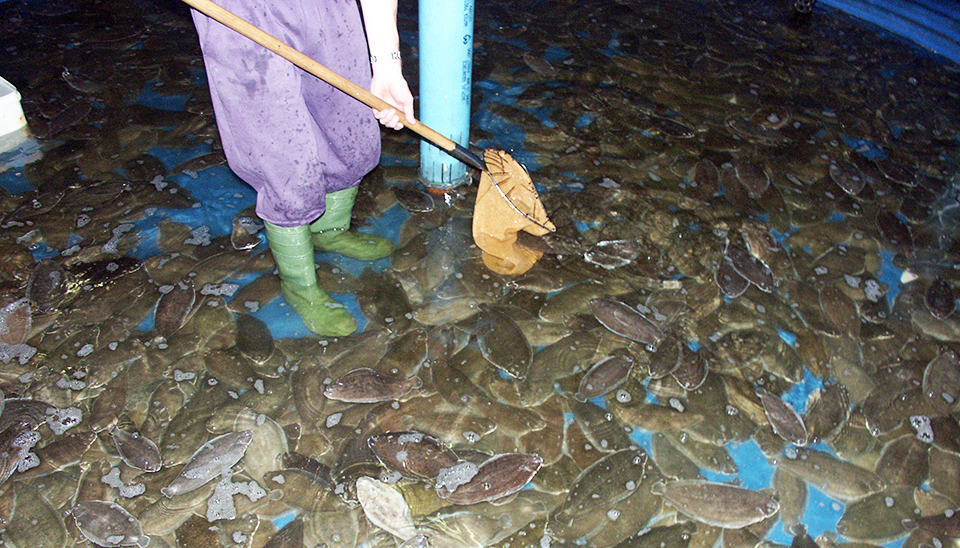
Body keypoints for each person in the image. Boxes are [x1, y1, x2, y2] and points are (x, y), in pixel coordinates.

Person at [190, 0, 416, 336]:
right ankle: (299, 284)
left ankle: (329, 232)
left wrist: (387, 65)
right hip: (242, 11)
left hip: (329, 8)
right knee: (282, 162)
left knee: (351, 133)